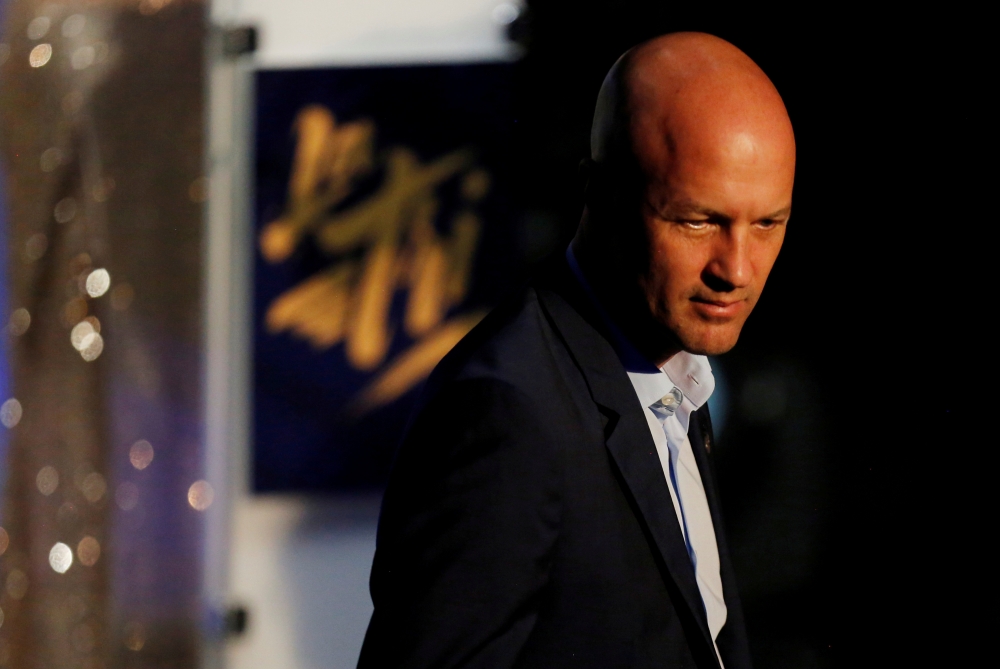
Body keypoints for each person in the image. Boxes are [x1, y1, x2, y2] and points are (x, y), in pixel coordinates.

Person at [358, 31, 795, 669]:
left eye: (767, 224)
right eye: (697, 221)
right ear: (599, 194)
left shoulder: (674, 375)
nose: (736, 268)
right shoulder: (508, 415)